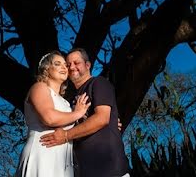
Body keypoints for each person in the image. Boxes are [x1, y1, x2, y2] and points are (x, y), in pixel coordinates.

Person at [40, 48, 130, 177]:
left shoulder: (98, 83)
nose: (72, 67)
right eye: (68, 64)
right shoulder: (69, 101)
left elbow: (102, 118)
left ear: (87, 65)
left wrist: (66, 136)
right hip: (83, 170)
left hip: (109, 169)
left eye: (76, 63)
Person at [15, 51, 91, 177]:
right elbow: (49, 118)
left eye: (65, 65)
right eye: (57, 64)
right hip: (42, 152)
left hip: (64, 160)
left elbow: (77, 130)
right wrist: (78, 113)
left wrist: (106, 124)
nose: (64, 67)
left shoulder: (66, 104)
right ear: (46, 69)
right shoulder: (39, 87)